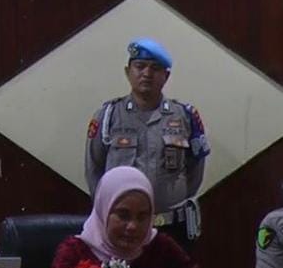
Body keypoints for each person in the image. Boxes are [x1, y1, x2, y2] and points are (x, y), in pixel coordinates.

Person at [85, 38, 209, 248]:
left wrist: (171, 199)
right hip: (122, 230)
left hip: (171, 228)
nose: (147, 73)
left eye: (155, 68)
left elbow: (195, 171)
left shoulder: (184, 116)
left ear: (166, 76)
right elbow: (94, 169)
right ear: (128, 72)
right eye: (140, 66)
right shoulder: (109, 115)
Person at [51, 165, 224, 268]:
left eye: (142, 217)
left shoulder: (161, 246)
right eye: (123, 215)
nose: (133, 226)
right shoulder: (76, 250)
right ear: (104, 211)